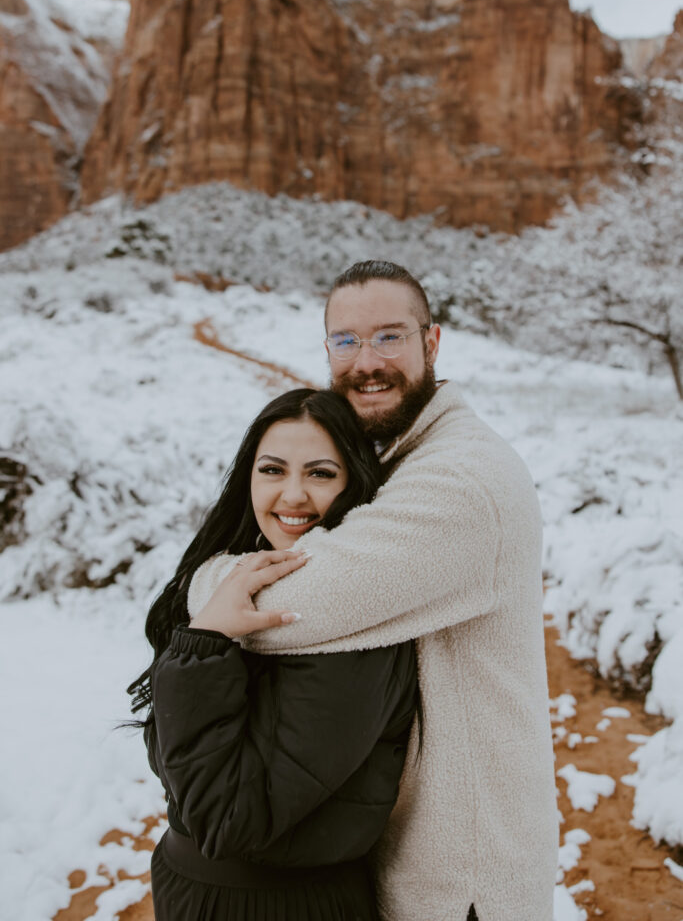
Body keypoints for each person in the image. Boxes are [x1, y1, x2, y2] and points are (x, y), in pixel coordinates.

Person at [195, 261, 559, 921]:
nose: (366, 362)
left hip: (461, 880)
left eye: (389, 337)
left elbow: (300, 605)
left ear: (432, 341)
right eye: (345, 341)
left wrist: (206, 583)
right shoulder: (402, 453)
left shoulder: (461, 479)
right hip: (414, 858)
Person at [128, 388, 418, 921]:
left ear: (356, 483)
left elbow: (228, 819)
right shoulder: (241, 583)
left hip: (283, 905)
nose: (293, 496)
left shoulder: (350, 622)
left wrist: (204, 643)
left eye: (321, 473)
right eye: (272, 470)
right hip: (200, 892)